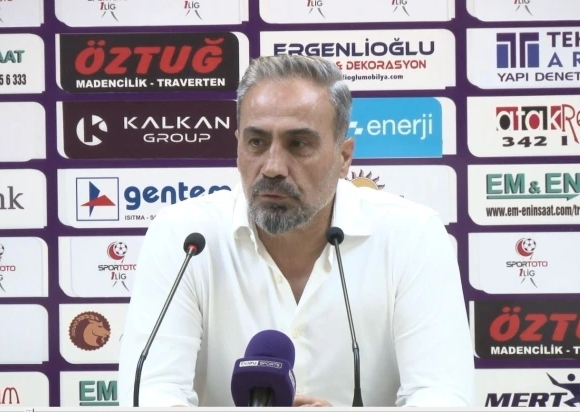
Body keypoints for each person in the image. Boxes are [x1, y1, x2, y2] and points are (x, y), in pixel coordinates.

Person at [118, 55, 474, 407]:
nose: (272, 167)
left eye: (298, 144)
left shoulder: (412, 236)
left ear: (344, 157)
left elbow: (443, 397)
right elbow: (152, 393)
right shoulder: (186, 238)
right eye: (256, 143)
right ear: (238, 147)